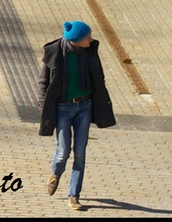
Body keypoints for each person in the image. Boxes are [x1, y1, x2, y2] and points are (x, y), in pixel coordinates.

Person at [39, 20, 116, 211]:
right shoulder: (56, 53)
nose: (91, 39)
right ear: (77, 40)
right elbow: (43, 82)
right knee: (63, 152)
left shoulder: (90, 52)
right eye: (87, 37)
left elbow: (98, 78)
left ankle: (74, 196)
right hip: (63, 108)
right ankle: (56, 173)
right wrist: (43, 105)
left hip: (85, 106)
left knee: (80, 154)